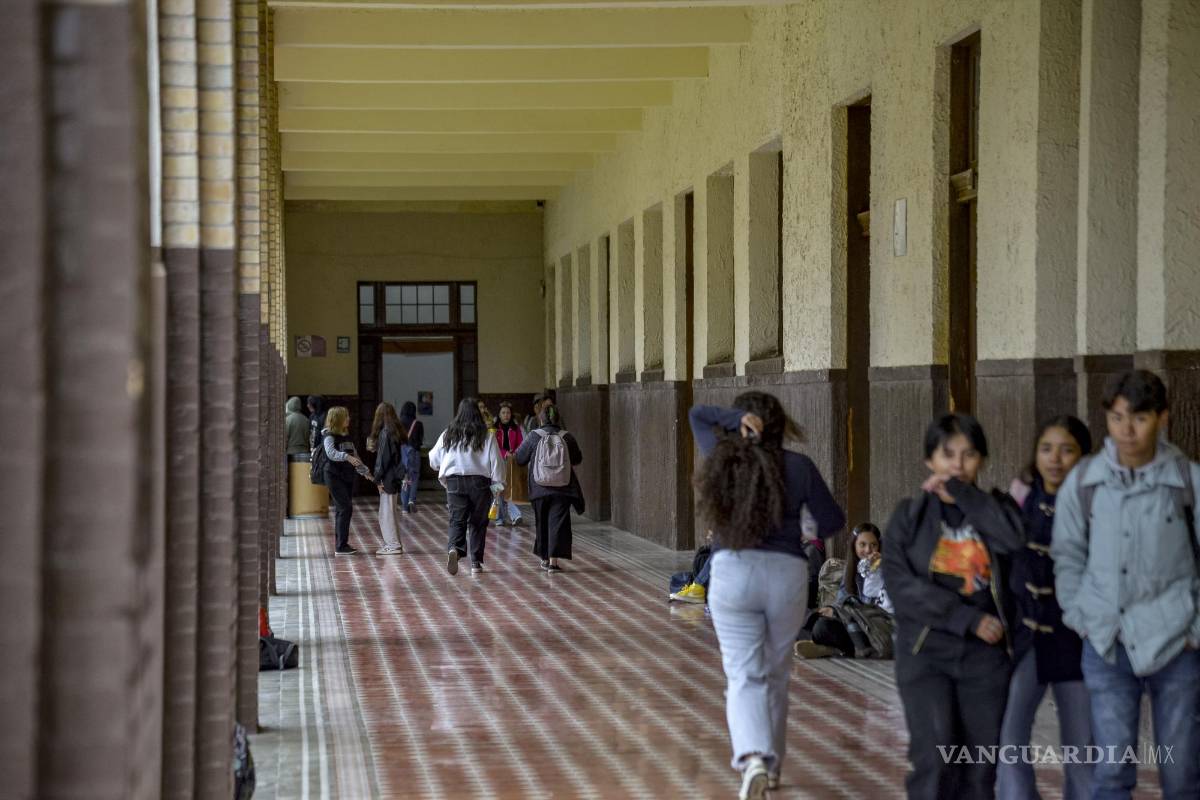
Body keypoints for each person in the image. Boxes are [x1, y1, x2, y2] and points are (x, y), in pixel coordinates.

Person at [1052, 370, 1200, 800]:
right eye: (1117, 419)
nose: (1127, 431)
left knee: (1183, 776)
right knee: (1111, 775)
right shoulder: (1084, 483)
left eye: (1138, 418)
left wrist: (1195, 630)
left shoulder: (1189, 483)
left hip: (1178, 644)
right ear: (1106, 420)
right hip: (1106, 642)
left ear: (1162, 418)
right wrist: (1082, 616)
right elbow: (1067, 556)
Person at [690, 393, 845, 799]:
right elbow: (832, 521)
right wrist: (802, 522)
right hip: (787, 574)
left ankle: (753, 759)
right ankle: (772, 765)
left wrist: (736, 417)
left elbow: (697, 413)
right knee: (776, 672)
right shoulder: (799, 467)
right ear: (780, 425)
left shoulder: (724, 459)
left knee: (744, 673)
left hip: (733, 572)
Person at [882, 413, 1025, 800]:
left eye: (969, 455)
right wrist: (967, 618)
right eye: (948, 455)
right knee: (935, 760)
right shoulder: (909, 517)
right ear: (930, 460)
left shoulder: (997, 509)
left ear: (982, 460)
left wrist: (964, 495)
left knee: (979, 771)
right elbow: (899, 585)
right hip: (926, 652)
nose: (958, 465)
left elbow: (1014, 540)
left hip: (985, 660)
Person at [996, 415, 1094, 800]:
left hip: (1078, 641)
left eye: (1067, 449)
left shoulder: (1095, 500)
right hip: (1027, 638)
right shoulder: (1020, 498)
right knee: (1010, 734)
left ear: (1084, 455)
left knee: (1082, 745)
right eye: (1046, 448)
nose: (1055, 459)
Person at [428, 398, 505, 576]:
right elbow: (497, 464)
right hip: (480, 483)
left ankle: (454, 548)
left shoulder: (448, 433)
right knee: (478, 523)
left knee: (457, 520)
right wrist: (498, 486)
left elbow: (433, 459)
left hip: (454, 482)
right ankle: (476, 563)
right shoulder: (486, 434)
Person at [796, 522, 894, 659]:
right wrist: (833, 610)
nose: (868, 550)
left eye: (873, 545)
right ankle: (832, 648)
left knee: (821, 628)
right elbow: (843, 598)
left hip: (872, 628)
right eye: (862, 545)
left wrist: (874, 571)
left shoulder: (884, 569)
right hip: (851, 621)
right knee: (808, 623)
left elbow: (872, 607)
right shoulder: (852, 570)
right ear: (854, 546)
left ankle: (832, 648)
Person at [515, 404, 583, 572]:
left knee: (542, 522)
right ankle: (553, 562)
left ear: (541, 418)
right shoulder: (567, 437)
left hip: (539, 488)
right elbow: (577, 459)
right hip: (562, 487)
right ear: (558, 418)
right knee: (557, 523)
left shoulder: (533, 436)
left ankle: (544, 558)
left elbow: (520, 459)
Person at [321, 406, 365, 556]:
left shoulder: (347, 436)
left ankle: (341, 544)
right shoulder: (329, 436)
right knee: (345, 507)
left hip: (347, 476)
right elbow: (331, 454)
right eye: (346, 417)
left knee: (343, 509)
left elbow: (355, 456)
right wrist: (346, 457)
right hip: (334, 476)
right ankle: (341, 546)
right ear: (338, 419)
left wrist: (366, 472)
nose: (349, 419)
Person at [368, 402, 406, 556]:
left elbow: (382, 459)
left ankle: (393, 544)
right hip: (395, 477)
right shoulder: (395, 431)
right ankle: (395, 543)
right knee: (391, 512)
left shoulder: (385, 433)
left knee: (386, 514)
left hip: (387, 478)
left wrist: (376, 478)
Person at [494, 402, 525, 527]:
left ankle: (514, 516)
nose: (506, 415)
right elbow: (494, 447)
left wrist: (515, 453)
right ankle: (499, 517)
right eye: (503, 413)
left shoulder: (515, 428)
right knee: (497, 490)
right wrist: (504, 452)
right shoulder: (495, 429)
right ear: (499, 414)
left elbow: (521, 444)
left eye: (508, 413)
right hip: (497, 462)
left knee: (510, 489)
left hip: (512, 462)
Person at [398, 400, 424, 514]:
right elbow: (420, 440)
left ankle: (404, 507)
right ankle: (411, 500)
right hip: (414, 453)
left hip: (402, 452)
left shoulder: (398, 423)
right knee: (414, 477)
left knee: (404, 479)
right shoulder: (418, 424)